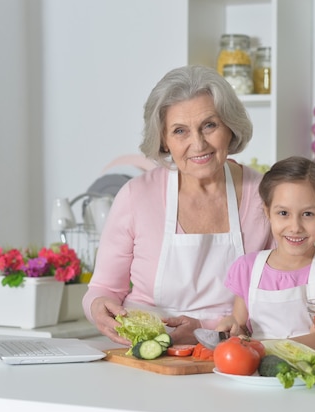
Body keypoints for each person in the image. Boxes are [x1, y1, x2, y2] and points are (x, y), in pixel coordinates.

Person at [82, 65, 274, 346]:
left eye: (210, 125)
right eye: (180, 131)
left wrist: (204, 329)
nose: (198, 144)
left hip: (232, 356)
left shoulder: (264, 195)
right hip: (146, 354)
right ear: (163, 139)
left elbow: (277, 294)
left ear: (230, 127)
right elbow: (103, 289)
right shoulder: (137, 196)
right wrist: (97, 307)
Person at [216, 156, 315, 354]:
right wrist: (231, 326)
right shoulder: (247, 267)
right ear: (267, 211)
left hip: (314, 379)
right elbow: (240, 329)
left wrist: (257, 347)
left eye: (307, 214)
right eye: (283, 213)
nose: (295, 227)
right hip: (257, 378)